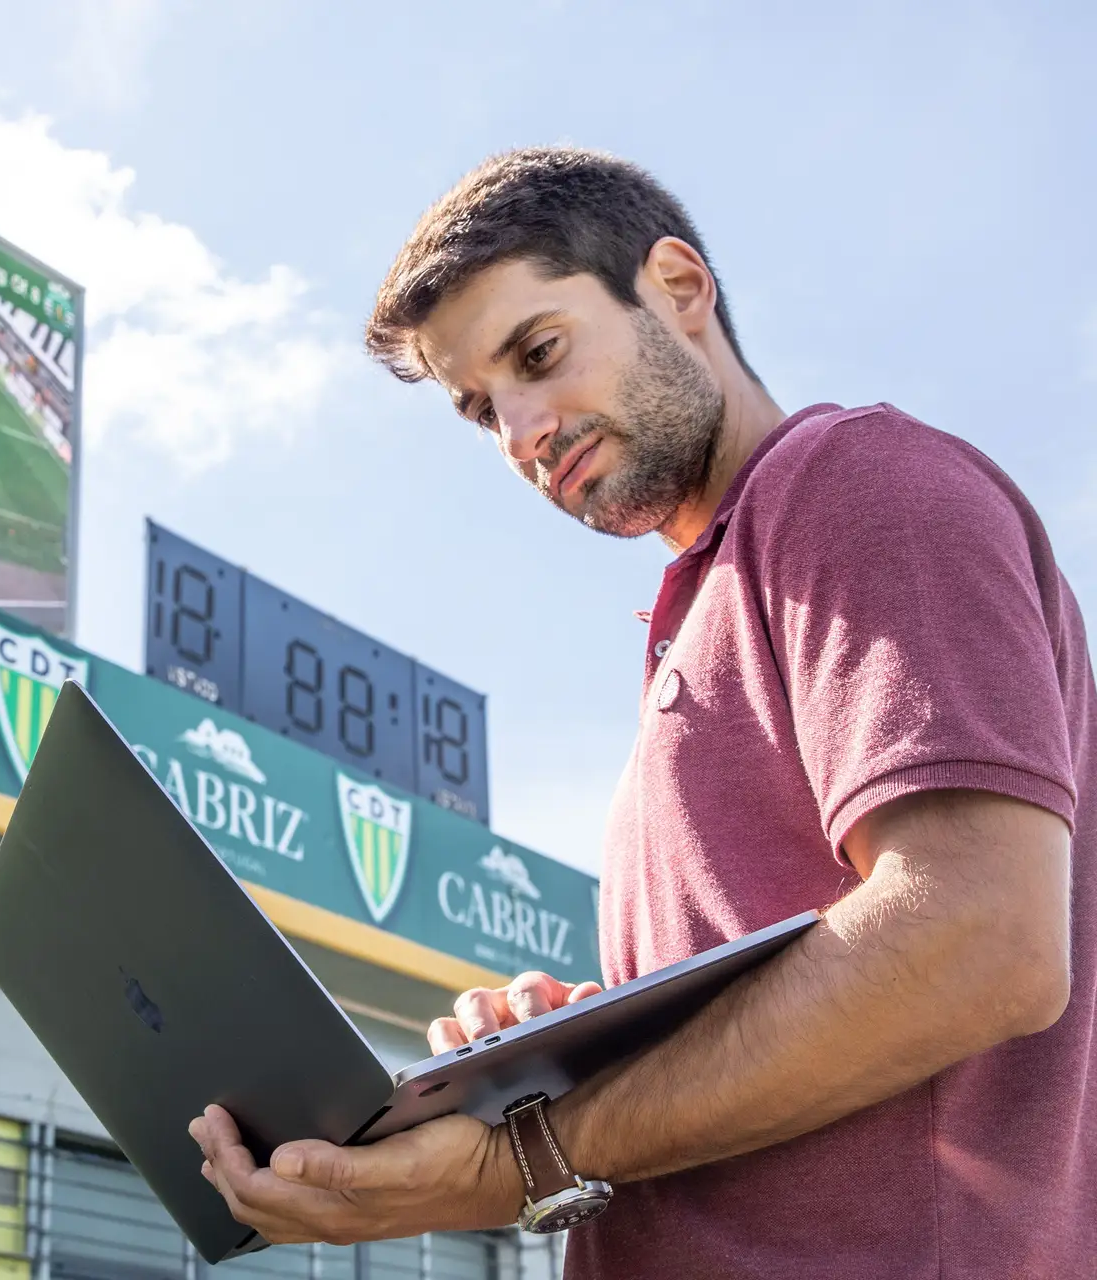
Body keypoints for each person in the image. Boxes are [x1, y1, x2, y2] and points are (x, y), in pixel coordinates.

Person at [188, 147, 1093, 1278]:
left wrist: (520, 1156)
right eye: (482, 410)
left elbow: (982, 939)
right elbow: (792, 1002)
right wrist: (577, 1042)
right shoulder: (699, 608)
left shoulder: (857, 484)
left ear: (677, 286)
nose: (520, 431)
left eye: (539, 352)